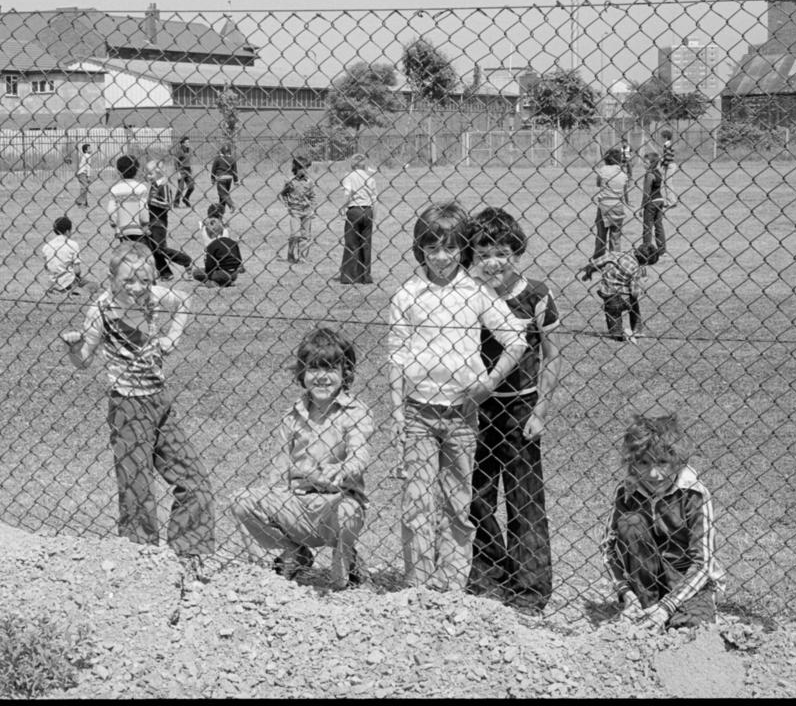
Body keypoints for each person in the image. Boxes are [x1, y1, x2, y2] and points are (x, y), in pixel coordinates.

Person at [387, 202, 528, 591]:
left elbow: (515, 340)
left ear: (461, 248)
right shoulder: (408, 294)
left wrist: (487, 384)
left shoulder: (475, 292)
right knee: (417, 504)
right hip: (417, 413)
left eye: (450, 248)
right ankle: (418, 583)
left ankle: (450, 584)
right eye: (431, 249)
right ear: (420, 250)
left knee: (457, 504)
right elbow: (397, 353)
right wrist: (397, 410)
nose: (441, 258)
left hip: (462, 416)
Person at [59, 241, 215, 582]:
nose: (137, 288)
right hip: (127, 405)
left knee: (196, 482)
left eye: (144, 279)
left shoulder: (156, 297)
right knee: (137, 486)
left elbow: (186, 299)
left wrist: (173, 335)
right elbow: (84, 360)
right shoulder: (101, 310)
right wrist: (73, 349)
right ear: (112, 278)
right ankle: (141, 561)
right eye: (128, 280)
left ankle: (189, 556)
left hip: (160, 401)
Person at [463, 207, 563, 616]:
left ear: (516, 251)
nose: (493, 260)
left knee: (524, 499)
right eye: (484, 249)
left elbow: (553, 357)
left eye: (503, 250)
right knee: (478, 494)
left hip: (520, 406)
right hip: (475, 408)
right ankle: (487, 576)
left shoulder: (536, 294)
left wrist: (541, 410)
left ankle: (529, 588)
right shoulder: (465, 294)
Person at [231, 327, 373, 589]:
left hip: (337, 503)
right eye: (313, 369)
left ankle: (346, 566)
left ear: (346, 373)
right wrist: (275, 500)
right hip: (297, 504)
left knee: (346, 512)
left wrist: (344, 468)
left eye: (330, 369)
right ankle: (293, 553)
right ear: (302, 373)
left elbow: (360, 453)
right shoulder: (292, 417)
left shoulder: (356, 413)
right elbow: (279, 467)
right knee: (242, 501)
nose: (321, 377)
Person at [603, 413, 726, 630]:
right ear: (631, 462)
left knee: (692, 629)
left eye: (662, 462)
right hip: (644, 581)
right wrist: (626, 593)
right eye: (643, 462)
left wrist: (667, 606)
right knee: (630, 522)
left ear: (677, 461)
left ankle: (671, 611)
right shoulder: (627, 491)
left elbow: (703, 563)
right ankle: (644, 605)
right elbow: (609, 548)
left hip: (686, 579)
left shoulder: (693, 493)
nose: (653, 474)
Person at [578, 242, 659, 342]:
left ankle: (618, 333)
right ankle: (637, 329)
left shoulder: (615, 255)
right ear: (645, 263)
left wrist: (589, 271)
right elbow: (635, 292)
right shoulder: (636, 268)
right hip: (626, 298)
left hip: (610, 296)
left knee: (613, 316)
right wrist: (643, 281)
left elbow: (598, 262)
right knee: (634, 307)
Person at [145, 158, 193, 281]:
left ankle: (185, 260)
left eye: (150, 173)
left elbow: (167, 204)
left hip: (159, 222)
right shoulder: (154, 185)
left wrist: (150, 202)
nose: (148, 176)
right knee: (153, 248)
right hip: (151, 221)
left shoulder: (164, 186)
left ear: (159, 172)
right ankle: (165, 273)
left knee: (160, 249)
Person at [339, 154, 378, 284]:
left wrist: (343, 208)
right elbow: (374, 199)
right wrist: (374, 217)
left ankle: (349, 275)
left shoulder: (349, 177)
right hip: (368, 211)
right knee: (366, 244)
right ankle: (365, 276)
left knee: (351, 243)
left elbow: (347, 193)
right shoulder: (370, 178)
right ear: (364, 165)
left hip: (354, 210)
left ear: (353, 165)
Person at [591, 148, 630, 259]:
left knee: (601, 234)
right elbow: (625, 189)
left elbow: (598, 183)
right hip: (618, 205)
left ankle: (599, 259)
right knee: (616, 235)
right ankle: (615, 259)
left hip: (604, 204)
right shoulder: (622, 173)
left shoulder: (603, 170)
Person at [278, 155, 316, 264]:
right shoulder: (290, 181)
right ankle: (290, 255)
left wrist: (312, 208)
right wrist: (288, 206)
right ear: (295, 168)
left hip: (307, 211)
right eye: (301, 168)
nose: (303, 171)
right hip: (295, 211)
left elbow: (313, 196)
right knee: (295, 234)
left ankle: (302, 257)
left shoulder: (309, 182)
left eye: (305, 168)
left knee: (305, 235)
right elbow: (283, 195)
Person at [639, 151, 675, 263]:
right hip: (660, 200)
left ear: (651, 163)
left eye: (645, 162)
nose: (643, 164)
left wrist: (642, 207)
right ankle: (662, 250)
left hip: (651, 203)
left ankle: (646, 251)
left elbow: (646, 192)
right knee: (659, 226)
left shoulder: (649, 174)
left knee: (647, 227)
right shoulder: (658, 173)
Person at [106, 154, 150, 243]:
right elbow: (143, 208)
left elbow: (111, 210)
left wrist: (114, 225)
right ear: (137, 170)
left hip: (123, 229)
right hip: (139, 229)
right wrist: (145, 223)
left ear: (119, 171)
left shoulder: (115, 189)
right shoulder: (141, 188)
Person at [191, 217, 245, 287]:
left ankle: (212, 283)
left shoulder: (212, 245)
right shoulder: (233, 242)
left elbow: (209, 266)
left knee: (196, 272)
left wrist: (208, 278)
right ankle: (228, 282)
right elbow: (239, 260)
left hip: (221, 274)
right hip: (234, 274)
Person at [39, 216, 83, 295]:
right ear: (67, 231)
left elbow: (47, 267)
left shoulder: (47, 246)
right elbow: (77, 270)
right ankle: (68, 290)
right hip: (68, 282)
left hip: (52, 282)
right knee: (93, 286)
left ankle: (56, 290)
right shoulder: (73, 244)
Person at [210, 144, 239, 212]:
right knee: (223, 195)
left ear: (221, 151)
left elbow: (213, 169)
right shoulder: (232, 159)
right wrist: (236, 181)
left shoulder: (218, 159)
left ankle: (232, 205)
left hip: (221, 178)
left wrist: (212, 178)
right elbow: (235, 171)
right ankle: (221, 210)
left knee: (223, 194)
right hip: (229, 178)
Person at [172, 136, 195, 207]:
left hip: (188, 171)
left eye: (189, 142)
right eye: (187, 142)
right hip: (181, 171)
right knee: (181, 188)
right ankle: (176, 203)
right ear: (182, 143)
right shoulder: (179, 151)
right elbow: (175, 162)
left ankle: (186, 198)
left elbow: (191, 158)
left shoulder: (189, 149)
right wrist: (178, 173)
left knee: (191, 187)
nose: (188, 143)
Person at [75, 143, 93, 208]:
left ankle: (84, 203)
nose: (91, 149)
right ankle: (79, 201)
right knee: (84, 188)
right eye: (89, 148)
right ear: (85, 150)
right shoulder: (87, 156)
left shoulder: (85, 155)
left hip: (81, 173)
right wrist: (88, 176)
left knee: (84, 188)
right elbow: (88, 166)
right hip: (83, 173)